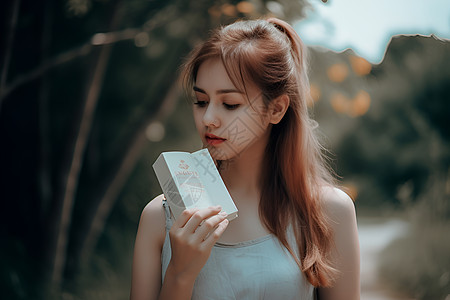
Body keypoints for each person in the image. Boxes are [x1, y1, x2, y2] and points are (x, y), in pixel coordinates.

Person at [130, 18, 360, 300]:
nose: (209, 119)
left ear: (276, 110)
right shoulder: (159, 217)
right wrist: (180, 274)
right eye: (201, 101)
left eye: (230, 104)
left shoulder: (327, 212)